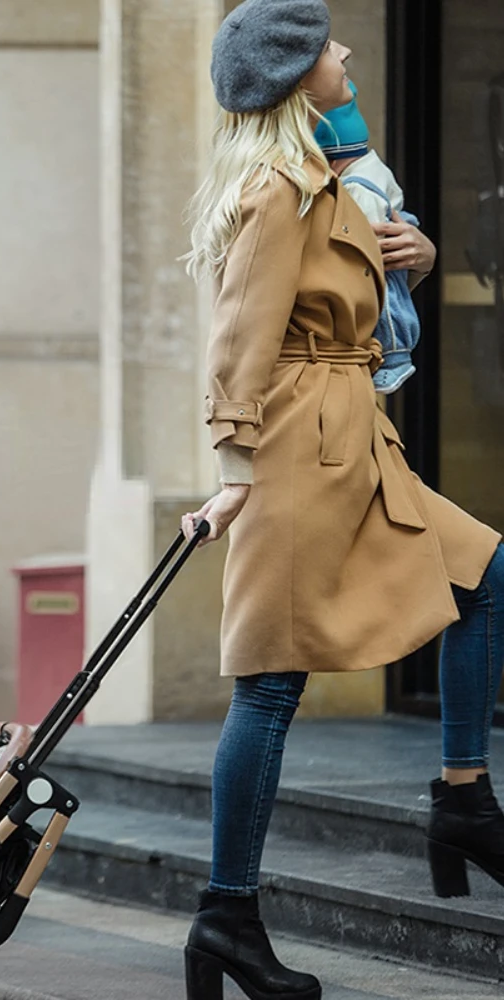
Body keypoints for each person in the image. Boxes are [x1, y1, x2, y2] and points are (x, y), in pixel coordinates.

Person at [179, 2, 504, 999]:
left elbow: (359, 291)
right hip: (294, 452)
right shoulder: (278, 189)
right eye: (326, 46)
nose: (348, 51)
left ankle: (461, 795)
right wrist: (233, 473)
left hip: (355, 436)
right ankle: (226, 916)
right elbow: (239, 333)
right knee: (271, 687)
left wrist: (421, 258)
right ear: (290, 76)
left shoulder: (326, 180)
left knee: (486, 572)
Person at [315, 80, 423, 393]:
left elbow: (364, 256)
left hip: (379, 258)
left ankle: (393, 357)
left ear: (332, 163)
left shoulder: (358, 188)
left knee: (388, 301)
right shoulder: (369, 171)